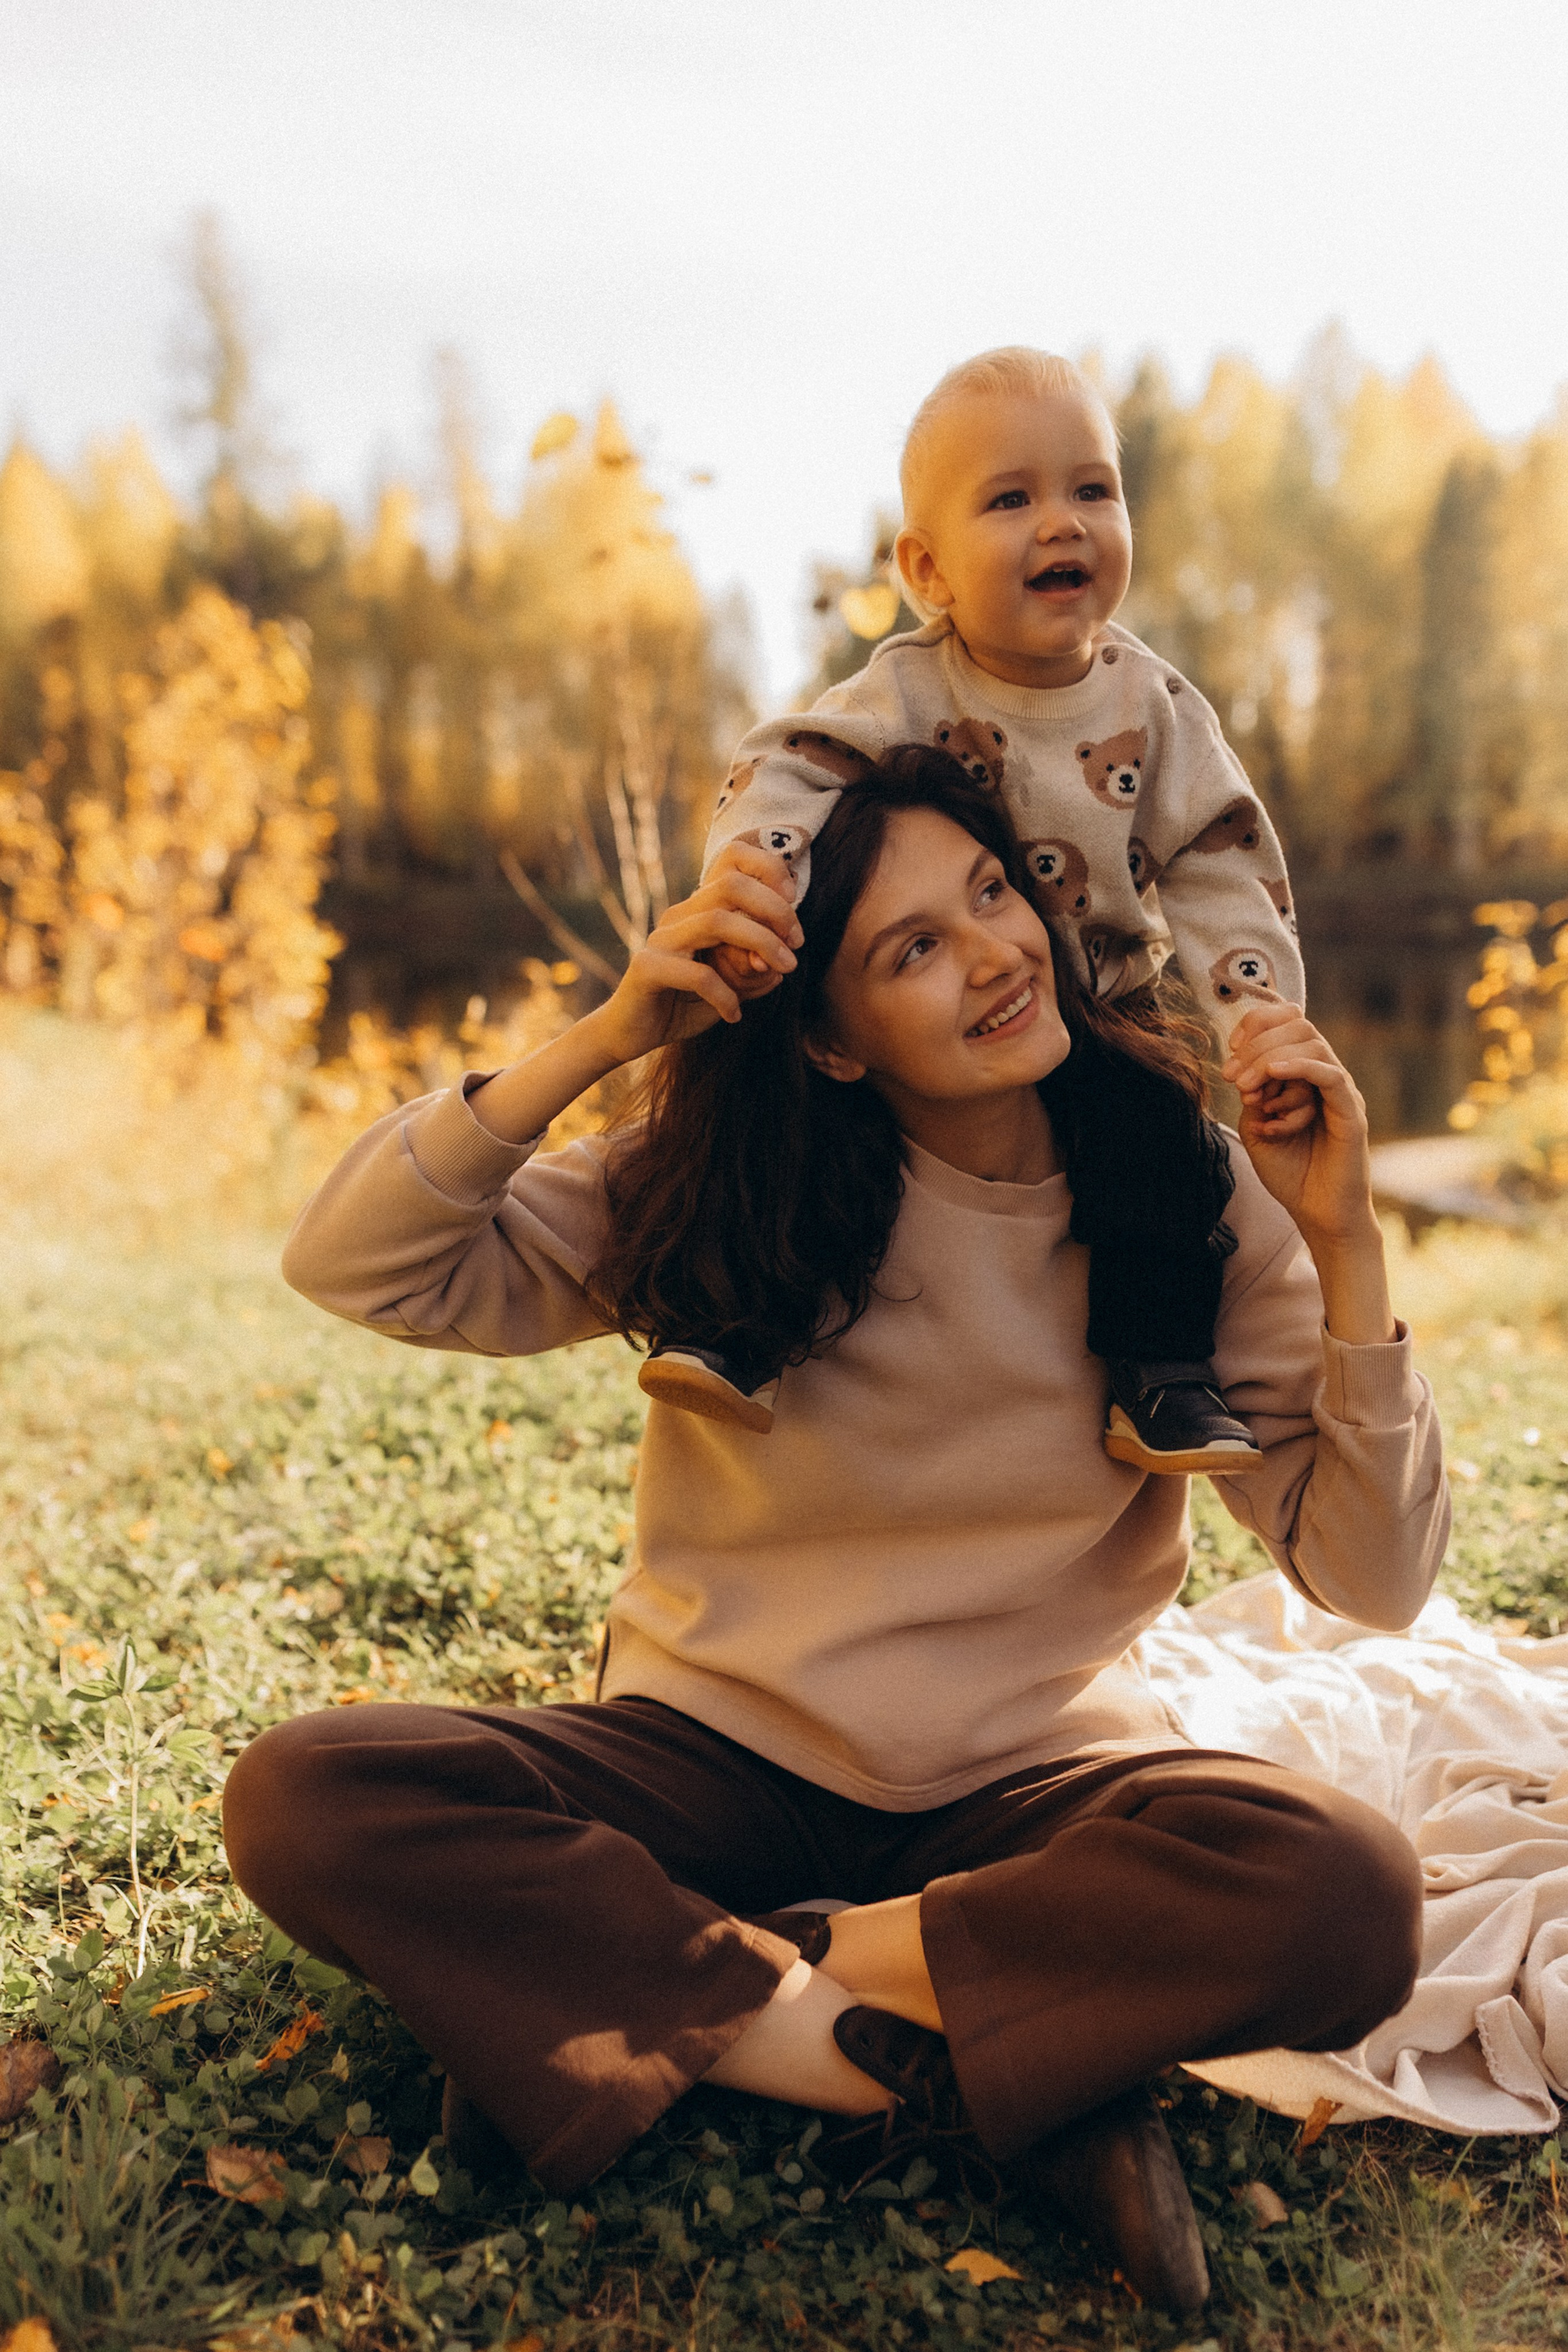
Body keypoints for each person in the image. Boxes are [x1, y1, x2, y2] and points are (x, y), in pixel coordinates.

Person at [224, 749, 1444, 2316]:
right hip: (710, 1758)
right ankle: (942, 2072)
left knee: (1343, 1887)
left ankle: (703, 1990)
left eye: (992, 893)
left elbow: (1373, 1577)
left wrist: (1339, 1244)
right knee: (310, 1795)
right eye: (911, 949)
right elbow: (361, 1265)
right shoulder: (728, 1187)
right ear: (828, 1036)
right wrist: (605, 1039)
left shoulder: (1180, 1195)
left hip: (1032, 1784)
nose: (994, 953)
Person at [643, 346, 1309, 1480]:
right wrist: (755, 876)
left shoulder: (1157, 706)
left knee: (1166, 1147)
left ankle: (1160, 1376)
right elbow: (791, 766)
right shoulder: (905, 691)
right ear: (930, 568)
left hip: (1101, 996)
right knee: (811, 1126)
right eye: (1012, 500)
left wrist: (1254, 1013)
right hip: (939, 1003)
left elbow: (1217, 860)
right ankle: (744, 1323)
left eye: (1092, 489)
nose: (1063, 523)